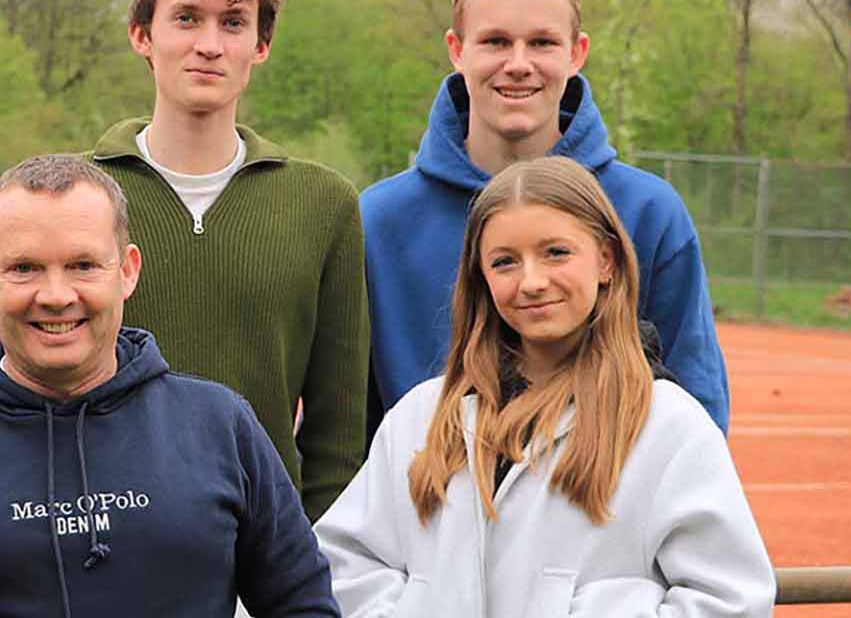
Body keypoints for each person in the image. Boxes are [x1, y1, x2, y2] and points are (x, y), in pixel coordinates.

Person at [0, 154, 339, 617]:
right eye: (26, 268)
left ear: (127, 270)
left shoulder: (219, 427)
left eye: (83, 265)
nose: (55, 295)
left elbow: (303, 604)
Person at [316, 156, 774, 616]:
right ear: (482, 279)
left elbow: (731, 600)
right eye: (504, 262)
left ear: (606, 261)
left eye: (556, 252)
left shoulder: (669, 426)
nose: (532, 282)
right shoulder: (421, 418)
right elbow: (344, 567)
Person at [362, 0, 729, 434]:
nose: (518, 64)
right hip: (426, 504)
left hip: (598, 503)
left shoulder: (648, 212)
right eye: (494, 41)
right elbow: (348, 430)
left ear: (576, 52)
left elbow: (696, 412)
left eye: (541, 42)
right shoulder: (377, 220)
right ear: (456, 49)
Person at [90, 0, 368, 522]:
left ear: (261, 45)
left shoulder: (323, 204)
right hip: (100, 539)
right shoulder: (71, 198)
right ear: (143, 35)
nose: (209, 45)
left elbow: (337, 430)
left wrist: (316, 560)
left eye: (233, 23)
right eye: (187, 18)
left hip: (263, 549)